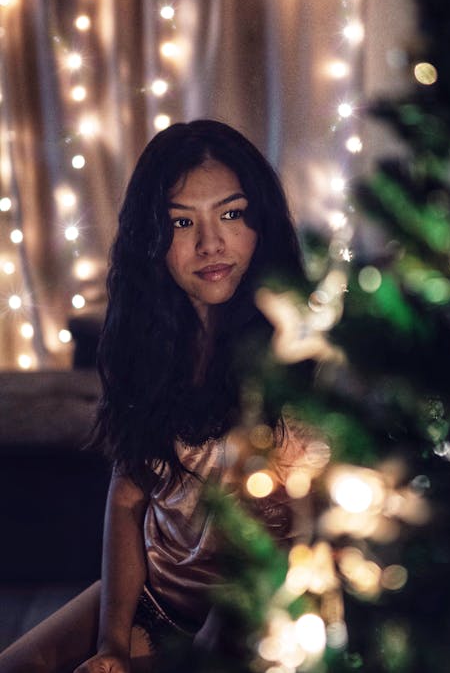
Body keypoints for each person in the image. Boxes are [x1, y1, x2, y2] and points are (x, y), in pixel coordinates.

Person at [0, 119, 316, 672]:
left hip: (253, 611)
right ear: (153, 239)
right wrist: (111, 644)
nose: (210, 243)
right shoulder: (145, 345)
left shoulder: (296, 353)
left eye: (232, 214)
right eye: (181, 222)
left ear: (260, 224)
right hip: (156, 594)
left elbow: (298, 539)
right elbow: (127, 500)